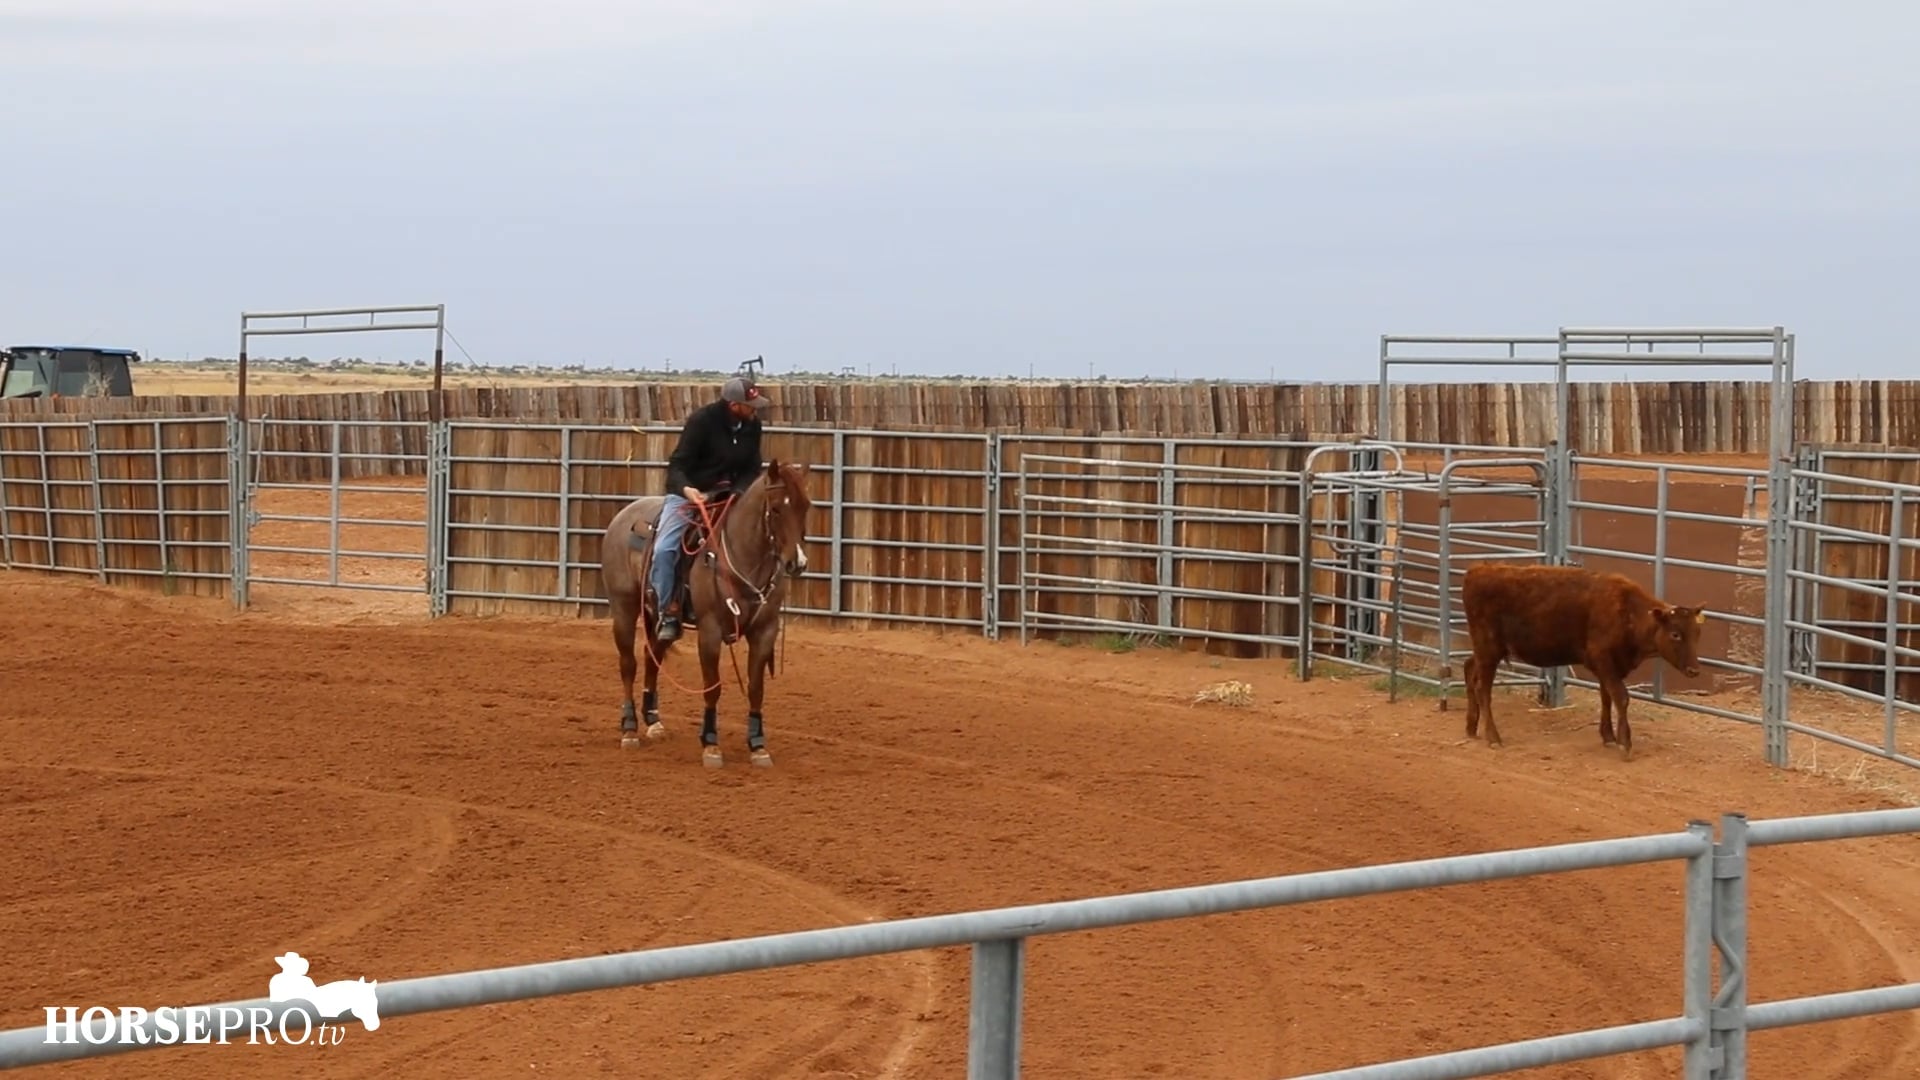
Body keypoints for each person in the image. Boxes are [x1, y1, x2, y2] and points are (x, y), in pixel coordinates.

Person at [650, 373, 773, 642]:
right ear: (734, 405)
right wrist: (688, 490)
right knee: (664, 549)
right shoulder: (701, 422)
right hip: (690, 495)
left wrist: (738, 492)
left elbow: (752, 467)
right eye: (750, 406)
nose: (755, 411)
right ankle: (668, 611)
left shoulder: (752, 426)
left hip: (731, 495)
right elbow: (677, 465)